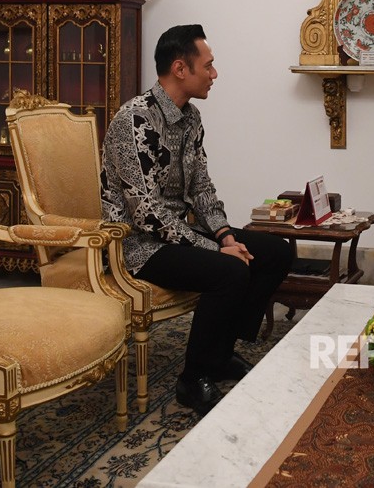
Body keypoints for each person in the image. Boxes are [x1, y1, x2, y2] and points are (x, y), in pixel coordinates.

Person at [100, 24, 293, 415]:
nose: (215, 74)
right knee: (230, 271)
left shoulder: (191, 119)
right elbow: (146, 214)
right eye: (209, 65)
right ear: (180, 68)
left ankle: (220, 353)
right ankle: (192, 378)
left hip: (180, 233)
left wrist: (223, 236)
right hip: (139, 245)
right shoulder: (134, 120)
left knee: (275, 252)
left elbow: (202, 188)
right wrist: (216, 249)